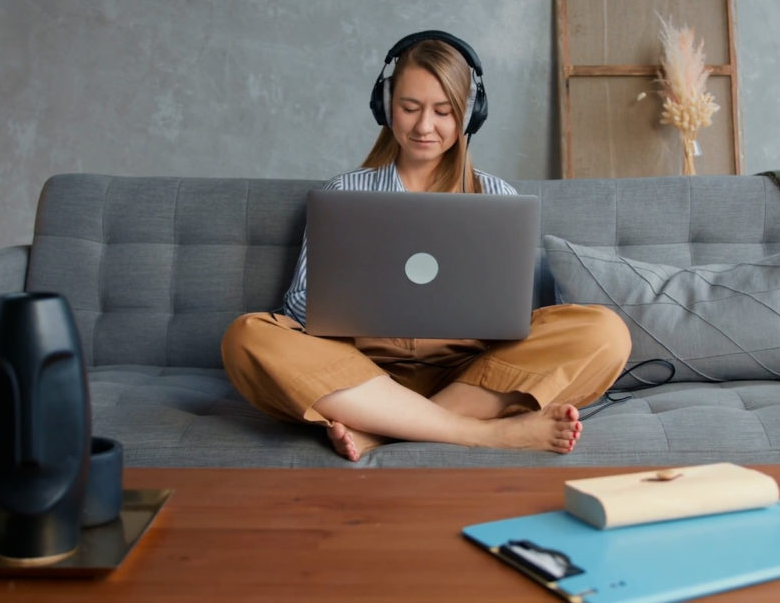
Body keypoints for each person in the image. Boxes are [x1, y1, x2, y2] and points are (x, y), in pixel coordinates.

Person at [221, 30, 631, 461]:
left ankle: (383, 430)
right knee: (247, 336)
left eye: (442, 111)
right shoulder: (343, 193)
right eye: (409, 107)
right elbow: (299, 307)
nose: (423, 126)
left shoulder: (497, 199)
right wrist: (355, 302)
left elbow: (512, 316)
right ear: (385, 107)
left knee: (605, 332)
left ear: (469, 116)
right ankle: (480, 433)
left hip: (471, 376)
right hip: (359, 374)